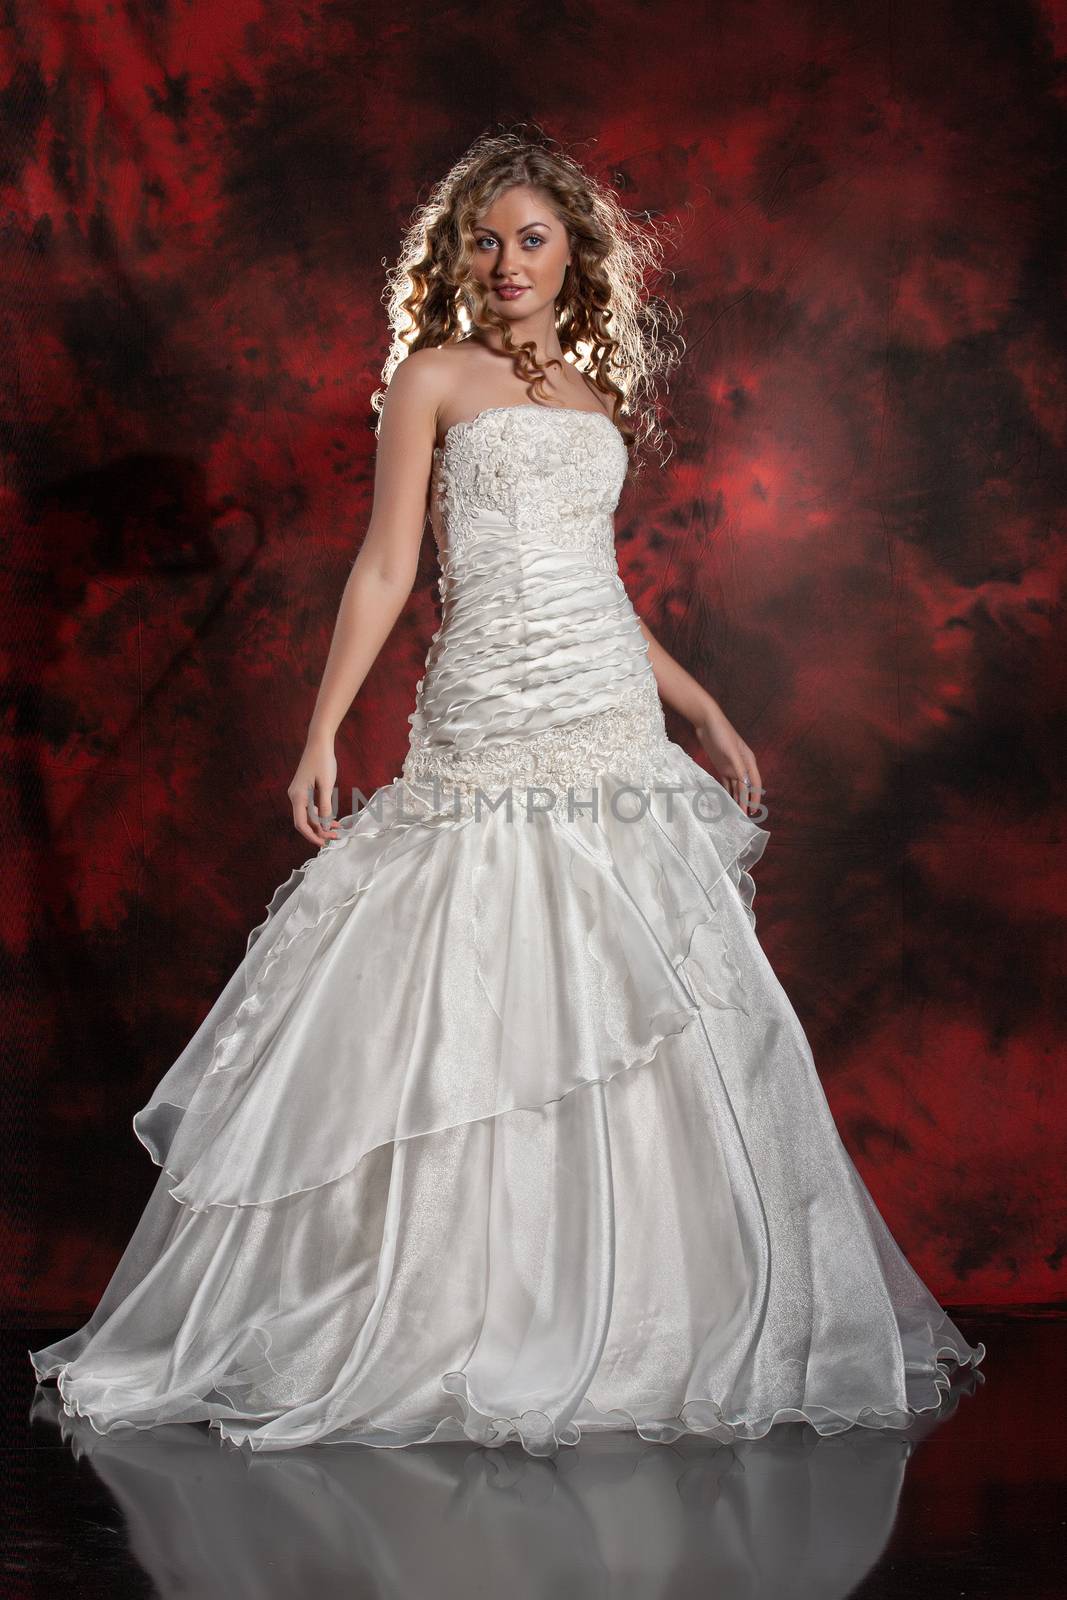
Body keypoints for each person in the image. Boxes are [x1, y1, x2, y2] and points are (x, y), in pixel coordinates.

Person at [29, 130, 985, 1456]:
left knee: (639, 995)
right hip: (488, 705)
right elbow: (385, 570)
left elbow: (596, 589)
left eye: (534, 239)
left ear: (574, 257)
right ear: (456, 257)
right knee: (470, 972)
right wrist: (322, 732)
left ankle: (643, 1308)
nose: (509, 263)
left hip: (602, 709)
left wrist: (695, 701)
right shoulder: (429, 380)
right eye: (485, 241)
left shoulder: (593, 401)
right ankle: (461, 1306)